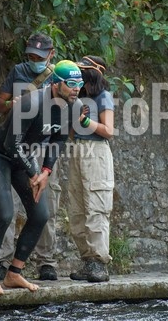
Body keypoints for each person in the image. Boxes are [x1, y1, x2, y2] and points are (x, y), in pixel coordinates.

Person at [0, 60, 84, 296]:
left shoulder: (73, 106)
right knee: (4, 214)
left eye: (80, 83)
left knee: (40, 215)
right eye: (71, 83)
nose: (76, 89)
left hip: (23, 158)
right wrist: (34, 173)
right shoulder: (31, 103)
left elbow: (58, 140)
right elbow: (11, 144)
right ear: (56, 83)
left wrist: (46, 172)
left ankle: (14, 273)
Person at [0, 32, 62, 281]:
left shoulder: (58, 76)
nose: (35, 61)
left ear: (51, 54)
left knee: (46, 202)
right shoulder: (18, 71)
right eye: (31, 56)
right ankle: (1, 260)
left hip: (42, 145)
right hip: (15, 144)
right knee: (8, 202)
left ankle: (47, 262)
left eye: (40, 57)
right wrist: (13, 104)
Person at [68, 56, 115, 283]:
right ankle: (87, 261)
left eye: (83, 70)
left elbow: (109, 130)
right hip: (78, 149)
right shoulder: (79, 98)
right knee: (76, 209)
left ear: (94, 72)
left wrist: (86, 123)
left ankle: (99, 263)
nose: (80, 74)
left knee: (96, 207)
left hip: (96, 151)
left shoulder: (103, 96)